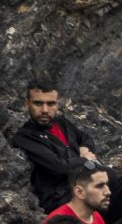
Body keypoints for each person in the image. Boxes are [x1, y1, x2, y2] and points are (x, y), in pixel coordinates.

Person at [10, 84, 98, 212]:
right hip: (60, 198)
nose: (45, 109)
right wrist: (84, 159)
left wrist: (84, 147)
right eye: (38, 103)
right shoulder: (25, 136)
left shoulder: (61, 123)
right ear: (27, 104)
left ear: (57, 104)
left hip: (82, 185)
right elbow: (58, 167)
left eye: (51, 104)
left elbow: (86, 138)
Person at [37, 165, 111, 224]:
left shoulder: (96, 216)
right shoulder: (57, 223)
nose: (108, 192)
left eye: (107, 184)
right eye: (99, 186)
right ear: (79, 192)